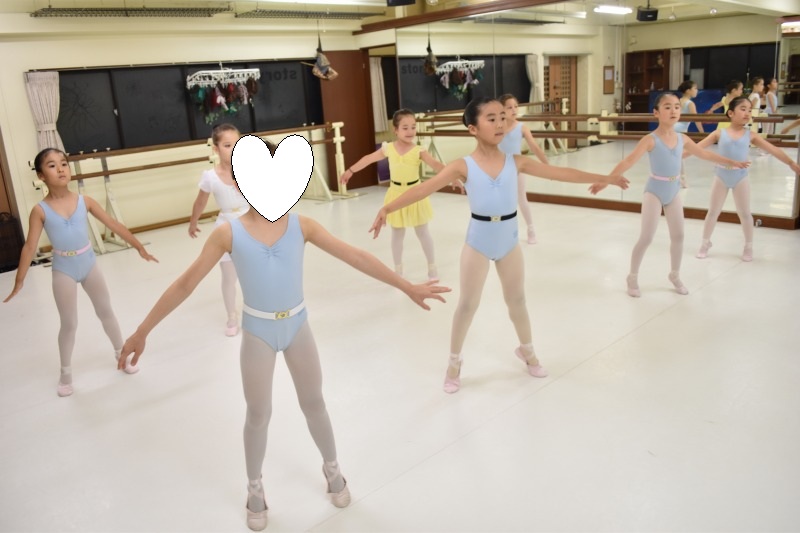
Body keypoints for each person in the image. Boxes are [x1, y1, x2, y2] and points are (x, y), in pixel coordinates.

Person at [118, 138, 450, 531]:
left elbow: (355, 255)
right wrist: (142, 330)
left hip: (297, 326)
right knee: (258, 413)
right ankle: (254, 487)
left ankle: (332, 468)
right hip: (258, 331)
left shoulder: (301, 225)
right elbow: (185, 284)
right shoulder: (227, 233)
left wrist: (405, 285)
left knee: (314, 402)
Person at [369, 97, 629, 394]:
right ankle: (454, 362)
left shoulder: (516, 162)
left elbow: (561, 173)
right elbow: (424, 188)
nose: (500, 123)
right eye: (491, 118)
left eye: (503, 117)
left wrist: (606, 177)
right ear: (473, 128)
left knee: (517, 301)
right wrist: (387, 208)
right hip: (478, 242)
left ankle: (528, 351)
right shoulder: (462, 166)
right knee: (468, 305)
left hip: (509, 241)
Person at [4, 148, 158, 397]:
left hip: (89, 263)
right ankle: (65, 373)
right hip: (63, 269)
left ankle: (121, 354)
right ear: (41, 176)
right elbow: (30, 246)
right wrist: (19, 281)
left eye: (63, 163)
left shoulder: (84, 201)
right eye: (52, 165)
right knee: (69, 323)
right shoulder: (40, 210)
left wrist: (139, 246)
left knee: (106, 311)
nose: (61, 169)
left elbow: (113, 224)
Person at [590, 93, 749, 298]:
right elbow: (628, 161)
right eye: (667, 107)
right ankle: (632, 276)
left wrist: (731, 162)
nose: (673, 110)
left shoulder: (683, 138)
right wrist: (606, 180)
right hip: (654, 192)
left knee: (679, 236)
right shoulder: (650, 140)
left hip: (673, 192)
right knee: (646, 237)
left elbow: (704, 154)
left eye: (676, 106)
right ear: (656, 113)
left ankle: (674, 275)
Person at [340, 109, 446, 281]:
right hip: (395, 194)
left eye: (413, 127)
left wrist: (453, 176)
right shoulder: (388, 148)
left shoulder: (419, 150)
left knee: (422, 232)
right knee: (397, 233)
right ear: (395, 130)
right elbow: (368, 159)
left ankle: (432, 267)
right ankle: (398, 270)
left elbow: (436, 165)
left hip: (415, 194)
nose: (410, 131)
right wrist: (350, 171)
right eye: (405, 127)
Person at [694, 96, 800, 262]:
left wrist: (791, 162)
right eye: (743, 109)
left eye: (749, 110)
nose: (747, 113)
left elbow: (773, 149)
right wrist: (677, 157)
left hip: (740, 178)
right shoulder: (719, 133)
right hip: (721, 176)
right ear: (730, 113)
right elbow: (696, 149)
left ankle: (748, 245)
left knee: (744, 213)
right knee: (713, 212)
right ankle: (705, 243)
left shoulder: (751, 135)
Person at [188, 123, 250, 336]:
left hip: (250, 224)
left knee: (255, 272)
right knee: (229, 277)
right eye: (227, 145)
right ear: (216, 148)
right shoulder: (210, 176)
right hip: (226, 229)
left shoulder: (249, 169)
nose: (233, 149)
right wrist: (193, 222)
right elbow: (200, 201)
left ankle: (260, 310)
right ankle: (232, 316)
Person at [498, 94, 550, 244]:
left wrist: (547, 166)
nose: (514, 110)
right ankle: (503, 230)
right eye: (509, 107)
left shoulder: (522, 128)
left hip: (517, 167)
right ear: (502, 110)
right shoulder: (497, 127)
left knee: (521, 198)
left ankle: (531, 228)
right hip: (500, 168)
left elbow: (534, 147)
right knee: (502, 200)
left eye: (516, 106)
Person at [674, 80, 706, 188]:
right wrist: (702, 133)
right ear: (688, 91)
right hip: (680, 130)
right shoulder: (690, 103)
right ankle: (682, 179)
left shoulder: (678, 101)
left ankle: (677, 178)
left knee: (676, 154)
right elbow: (696, 119)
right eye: (695, 88)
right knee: (680, 155)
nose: (697, 90)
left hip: (673, 127)